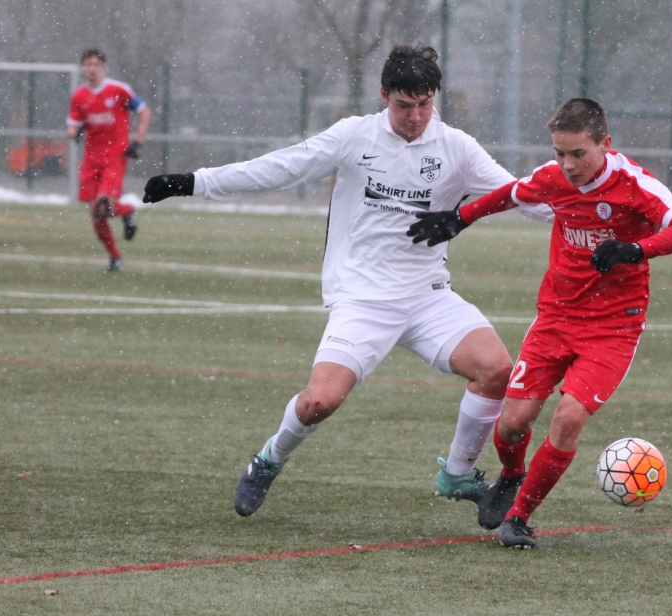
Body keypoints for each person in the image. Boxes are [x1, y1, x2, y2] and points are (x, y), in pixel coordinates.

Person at [142, 45, 553, 518]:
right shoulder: (354, 136)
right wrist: (193, 182)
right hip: (363, 299)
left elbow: (520, 196)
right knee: (319, 401)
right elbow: (281, 167)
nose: (416, 117)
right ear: (383, 95)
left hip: (428, 296)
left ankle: (457, 473)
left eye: (424, 104)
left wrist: (594, 212)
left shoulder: (457, 148)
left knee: (497, 370)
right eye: (404, 105)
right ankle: (270, 458)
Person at [408, 98, 672, 548]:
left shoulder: (634, 184)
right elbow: (512, 193)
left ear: (605, 145)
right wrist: (460, 219)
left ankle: (519, 517)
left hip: (613, 328)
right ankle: (512, 475)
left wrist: (635, 249)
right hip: (556, 318)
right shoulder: (554, 178)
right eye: (559, 153)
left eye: (578, 154)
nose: (567, 165)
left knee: (567, 418)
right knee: (512, 424)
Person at [67, 48, 152, 272]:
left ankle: (127, 211)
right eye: (88, 64)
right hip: (91, 158)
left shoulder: (119, 90)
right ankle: (115, 257)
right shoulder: (79, 96)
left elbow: (144, 112)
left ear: (103, 67)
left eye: (96, 64)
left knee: (103, 206)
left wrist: (138, 140)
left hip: (115, 156)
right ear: (83, 68)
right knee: (96, 213)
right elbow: (72, 126)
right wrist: (75, 132)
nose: (92, 69)